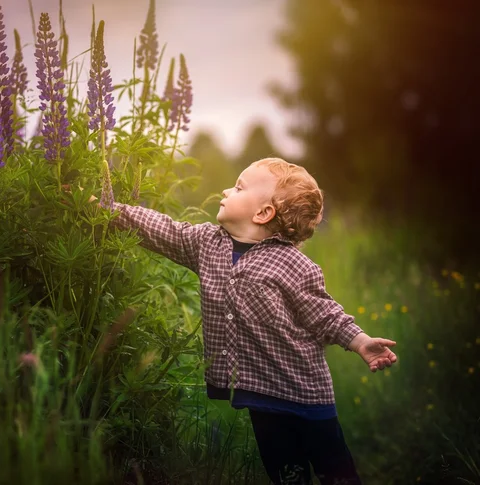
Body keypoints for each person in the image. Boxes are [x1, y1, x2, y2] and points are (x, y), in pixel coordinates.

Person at [103, 157, 398, 484]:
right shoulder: (206, 244)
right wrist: (110, 212)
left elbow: (325, 313)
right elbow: (166, 231)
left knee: (336, 472)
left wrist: (360, 342)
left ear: (262, 213)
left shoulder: (293, 265)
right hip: (260, 392)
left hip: (305, 394)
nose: (227, 189)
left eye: (239, 187)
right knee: (285, 473)